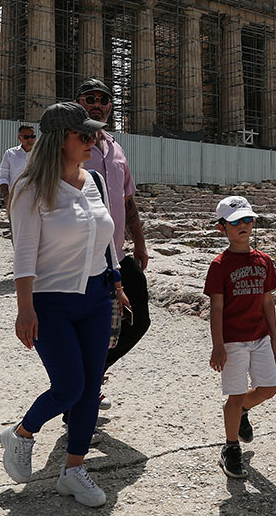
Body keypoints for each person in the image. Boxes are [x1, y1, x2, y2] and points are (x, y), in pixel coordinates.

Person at [0, 102, 128, 508]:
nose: (93, 141)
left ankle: (73, 471)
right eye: (83, 135)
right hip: (50, 302)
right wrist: (25, 308)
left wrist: (118, 283)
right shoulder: (30, 189)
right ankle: (22, 433)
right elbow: (23, 254)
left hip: (95, 296)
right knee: (69, 387)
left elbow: (105, 237)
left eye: (94, 134)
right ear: (60, 141)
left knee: (91, 390)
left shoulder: (94, 181)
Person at [76, 78, 150, 412]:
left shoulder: (115, 147)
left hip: (118, 254)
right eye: (89, 98)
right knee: (88, 328)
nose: (97, 103)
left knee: (140, 319)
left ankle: (93, 375)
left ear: (110, 106)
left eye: (103, 99)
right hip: (84, 255)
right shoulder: (70, 144)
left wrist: (140, 243)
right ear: (79, 103)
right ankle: (79, 396)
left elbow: (128, 200)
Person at [204, 196, 276, 479]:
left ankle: (243, 412)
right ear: (222, 228)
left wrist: (274, 339)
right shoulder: (219, 265)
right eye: (236, 222)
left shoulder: (264, 261)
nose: (244, 225)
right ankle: (231, 448)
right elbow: (217, 306)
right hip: (233, 340)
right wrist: (218, 346)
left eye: (248, 219)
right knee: (234, 395)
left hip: (260, 337)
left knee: (269, 389)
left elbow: (268, 302)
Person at [0, 124, 37, 208]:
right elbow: (3, 177)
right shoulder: (10, 154)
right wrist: (6, 195)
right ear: (19, 137)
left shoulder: (41, 154)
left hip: (36, 201)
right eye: (26, 137)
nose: (30, 139)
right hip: (15, 200)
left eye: (33, 136)